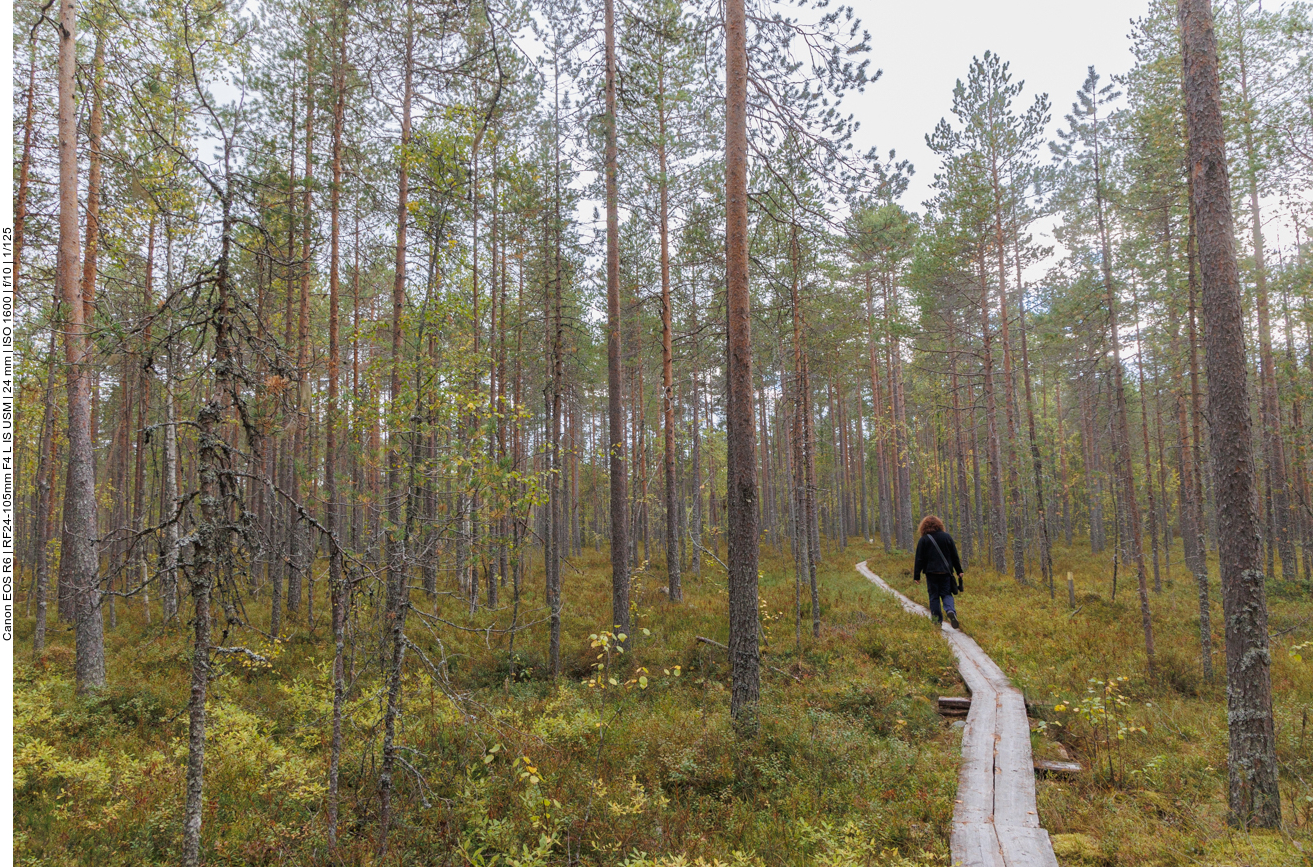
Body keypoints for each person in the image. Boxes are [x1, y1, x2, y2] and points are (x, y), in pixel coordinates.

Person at [912, 515, 964, 629]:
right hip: (945, 572)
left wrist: (917, 575)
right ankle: (950, 611)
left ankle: (937, 622)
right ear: (939, 525)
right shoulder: (946, 537)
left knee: (934, 597)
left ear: (923, 527)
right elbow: (954, 556)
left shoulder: (924, 540)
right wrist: (959, 571)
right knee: (946, 594)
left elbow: (919, 559)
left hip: (931, 573)